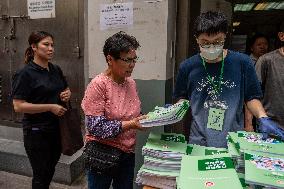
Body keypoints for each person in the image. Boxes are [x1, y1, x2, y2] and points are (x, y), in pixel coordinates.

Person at [173, 11, 283, 148]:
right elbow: (182, 97)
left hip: (233, 139)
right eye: (205, 43)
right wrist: (175, 110)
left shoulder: (243, 62)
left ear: (225, 35)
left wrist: (262, 117)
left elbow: (251, 97)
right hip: (199, 141)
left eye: (217, 42)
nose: (211, 47)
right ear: (196, 39)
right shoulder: (187, 67)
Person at [81, 31, 146, 189]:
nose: (132, 64)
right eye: (127, 60)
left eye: (134, 59)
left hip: (127, 152)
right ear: (110, 59)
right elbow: (96, 127)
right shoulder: (98, 85)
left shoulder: (130, 83)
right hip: (102, 153)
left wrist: (149, 118)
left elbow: (134, 113)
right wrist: (130, 124)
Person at [11, 31, 71, 189]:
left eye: (52, 45)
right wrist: (50, 107)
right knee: (40, 175)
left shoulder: (55, 69)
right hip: (36, 132)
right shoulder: (24, 74)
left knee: (49, 170)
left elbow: (65, 89)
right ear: (34, 47)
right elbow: (18, 106)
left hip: (56, 129)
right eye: (46, 44)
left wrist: (67, 94)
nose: (51, 48)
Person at [255, 21, 284, 135]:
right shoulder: (266, 60)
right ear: (282, 36)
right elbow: (251, 95)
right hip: (271, 128)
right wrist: (249, 125)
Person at [244, 33, 269, 131]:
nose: (263, 47)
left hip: (264, 107)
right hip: (250, 105)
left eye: (265, 44)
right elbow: (250, 94)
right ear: (251, 47)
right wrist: (248, 124)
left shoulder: (268, 61)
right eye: (259, 45)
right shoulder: (246, 62)